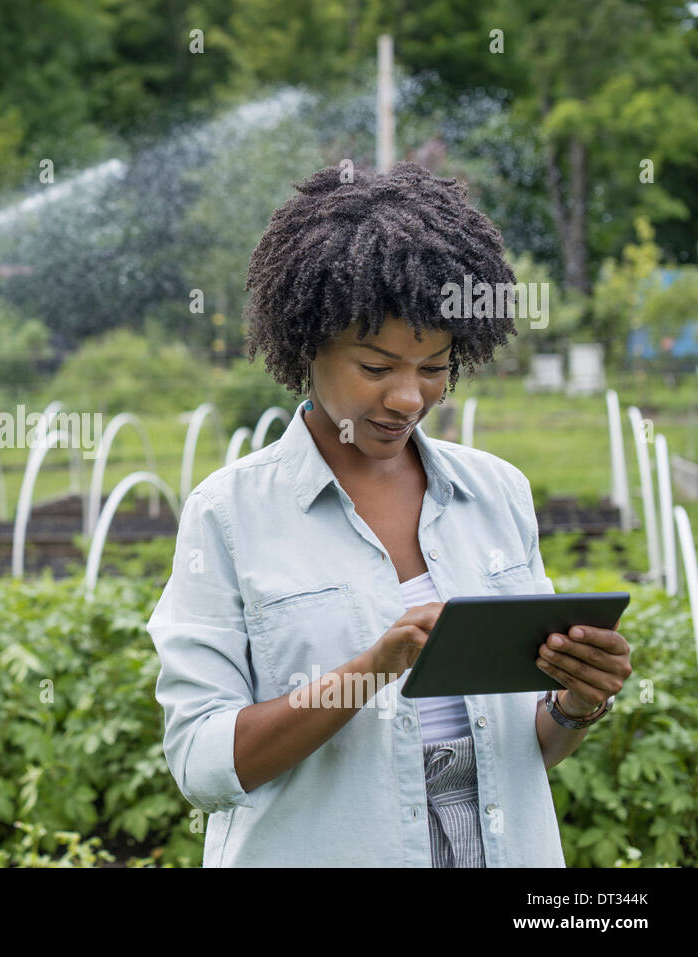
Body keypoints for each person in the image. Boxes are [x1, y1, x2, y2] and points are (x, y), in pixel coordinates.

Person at [147, 162, 632, 867]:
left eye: (433, 367)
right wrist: (370, 669)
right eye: (376, 368)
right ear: (306, 343)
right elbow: (201, 763)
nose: (409, 396)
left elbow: (523, 750)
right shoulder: (230, 515)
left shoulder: (496, 494)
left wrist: (576, 700)